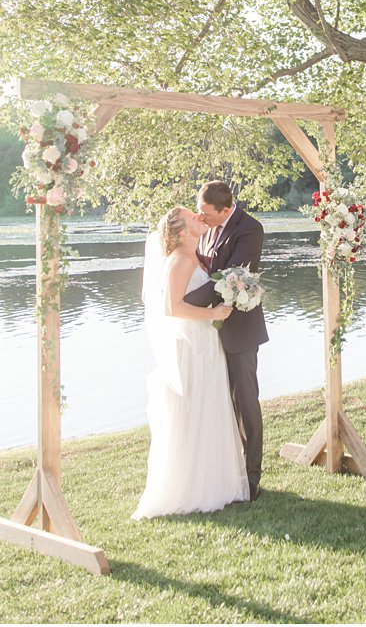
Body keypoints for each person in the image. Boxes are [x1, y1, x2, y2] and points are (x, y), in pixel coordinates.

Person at [132, 207, 249, 519]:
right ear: (182, 233)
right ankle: (193, 487)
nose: (199, 216)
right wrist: (213, 314)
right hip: (192, 345)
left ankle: (215, 480)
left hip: (204, 342)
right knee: (196, 407)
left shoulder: (195, 255)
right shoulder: (181, 260)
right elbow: (172, 308)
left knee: (209, 406)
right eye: (192, 216)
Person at [184, 180, 268, 499]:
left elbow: (232, 277)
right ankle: (226, 470)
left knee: (245, 400)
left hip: (240, 329)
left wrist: (184, 302)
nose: (200, 217)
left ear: (225, 209)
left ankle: (252, 475)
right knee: (219, 401)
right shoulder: (207, 228)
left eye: (205, 212)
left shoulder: (250, 229)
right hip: (208, 329)